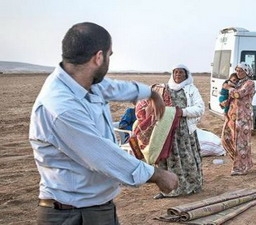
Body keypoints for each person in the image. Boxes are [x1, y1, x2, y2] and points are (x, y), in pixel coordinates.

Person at [29, 22, 178, 225]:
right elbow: (103, 156)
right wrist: (157, 175)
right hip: (72, 215)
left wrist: (149, 93)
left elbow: (115, 88)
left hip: (95, 207)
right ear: (98, 57)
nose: (109, 60)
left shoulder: (84, 82)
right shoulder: (61, 108)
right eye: (109, 55)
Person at [134, 64, 205, 199]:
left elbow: (200, 109)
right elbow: (147, 103)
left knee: (186, 159)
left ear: (186, 75)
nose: (178, 75)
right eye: (176, 72)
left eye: (181, 73)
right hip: (164, 131)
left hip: (183, 132)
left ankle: (190, 187)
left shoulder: (191, 89)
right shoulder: (162, 89)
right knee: (166, 159)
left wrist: (181, 112)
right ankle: (169, 189)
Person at [221, 62, 256, 176]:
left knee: (240, 143)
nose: (238, 73)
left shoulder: (249, 83)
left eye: (241, 71)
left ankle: (240, 167)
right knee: (225, 140)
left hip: (243, 119)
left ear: (246, 72)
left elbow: (238, 94)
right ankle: (243, 162)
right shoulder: (236, 83)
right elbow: (230, 98)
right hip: (231, 117)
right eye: (237, 70)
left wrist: (229, 87)